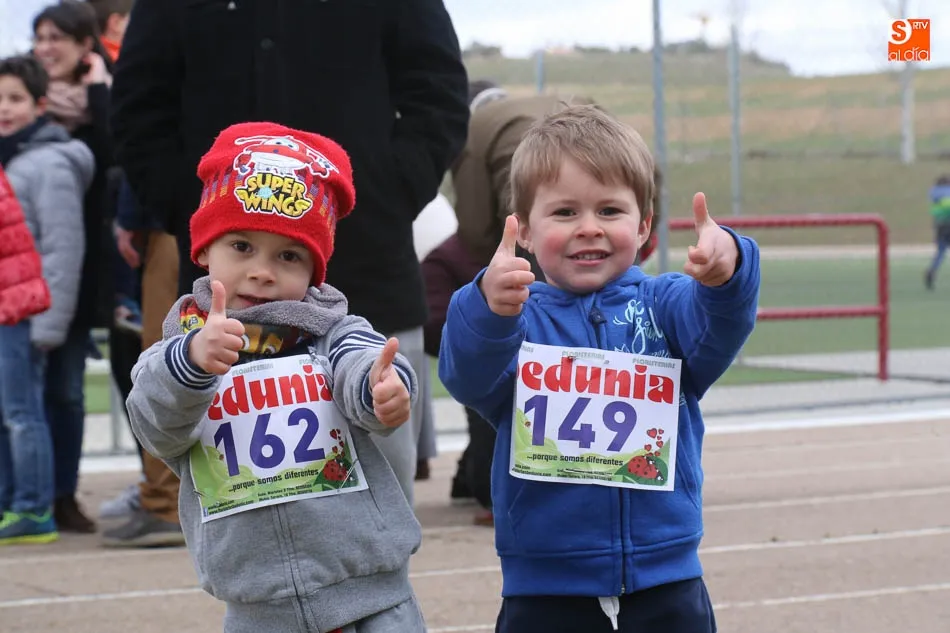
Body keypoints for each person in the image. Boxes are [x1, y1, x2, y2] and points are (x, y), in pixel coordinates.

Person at [110, 0, 470, 510]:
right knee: (238, 511)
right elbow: (137, 107)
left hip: (370, 262)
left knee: (380, 500)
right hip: (226, 295)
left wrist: (389, 192)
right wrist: (198, 213)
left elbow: (439, 94)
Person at [438, 105, 761, 633]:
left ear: (644, 225)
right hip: (544, 589)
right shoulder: (514, 320)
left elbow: (720, 323)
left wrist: (730, 270)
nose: (589, 228)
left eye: (609, 210)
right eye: (565, 212)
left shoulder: (667, 307)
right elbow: (466, 375)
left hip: (667, 581)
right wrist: (486, 307)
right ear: (524, 229)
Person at [126, 122, 425, 632]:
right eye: (242, 246)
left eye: (288, 255)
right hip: (256, 608)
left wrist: (381, 388)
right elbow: (156, 429)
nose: (263, 271)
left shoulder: (332, 332)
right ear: (204, 250)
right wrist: (193, 364)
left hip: (374, 599)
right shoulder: (176, 352)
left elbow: (363, 359)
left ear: (314, 269)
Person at [0, 54, 94, 544]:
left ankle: (34, 507)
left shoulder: (49, 163)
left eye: (14, 98)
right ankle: (11, 502)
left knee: (22, 414)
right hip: (6, 311)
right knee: (8, 414)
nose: (3, 108)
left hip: (26, 314)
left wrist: (49, 323)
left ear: (40, 105)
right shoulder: (10, 159)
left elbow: (62, 248)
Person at [32, 0, 115, 533]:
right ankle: (25, 496)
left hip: (81, 269)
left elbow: (114, 155)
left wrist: (101, 91)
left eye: (57, 37)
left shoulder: (99, 106)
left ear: (86, 46)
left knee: (65, 388)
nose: (46, 48)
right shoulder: (22, 103)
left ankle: (63, 494)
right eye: (40, 37)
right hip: (22, 265)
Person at [924, 174, 950, 290]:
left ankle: (932, 269)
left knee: (940, 251)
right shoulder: (948, 192)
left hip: (939, 226)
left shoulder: (934, 193)